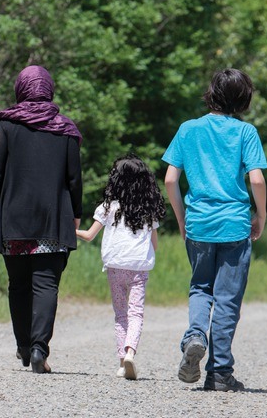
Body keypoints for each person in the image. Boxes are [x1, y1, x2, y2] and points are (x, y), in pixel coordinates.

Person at [162, 68, 267, 392]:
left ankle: (195, 336)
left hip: (198, 224)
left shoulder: (188, 129)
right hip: (235, 226)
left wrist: (181, 219)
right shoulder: (245, 132)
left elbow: (170, 179)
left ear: (211, 93)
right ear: (243, 99)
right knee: (227, 299)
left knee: (200, 289)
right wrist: (261, 216)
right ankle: (220, 373)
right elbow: (257, 180)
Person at [0, 65, 83, 374]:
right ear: (48, 89)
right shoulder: (65, 129)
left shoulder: (6, 126)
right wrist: (75, 213)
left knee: (18, 284)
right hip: (51, 219)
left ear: (20, 89)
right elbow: (74, 179)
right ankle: (39, 348)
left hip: (13, 220)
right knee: (46, 284)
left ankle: (24, 345)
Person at [75, 154, 166, 380]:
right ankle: (130, 354)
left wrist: (66, 229)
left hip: (115, 266)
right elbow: (154, 245)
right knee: (136, 313)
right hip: (139, 268)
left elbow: (88, 235)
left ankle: (120, 363)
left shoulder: (108, 208)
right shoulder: (148, 211)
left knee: (120, 314)